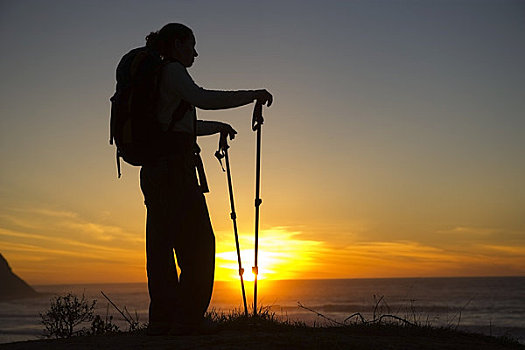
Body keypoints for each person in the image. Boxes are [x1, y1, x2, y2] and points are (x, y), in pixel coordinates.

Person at [139, 23, 272, 335]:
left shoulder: (158, 77)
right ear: (175, 44)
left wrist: (218, 127)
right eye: (191, 45)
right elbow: (203, 98)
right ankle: (187, 320)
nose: (195, 52)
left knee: (162, 246)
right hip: (175, 172)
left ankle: (163, 321)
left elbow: (179, 127)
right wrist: (252, 94)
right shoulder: (172, 71)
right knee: (199, 244)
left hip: (156, 171)